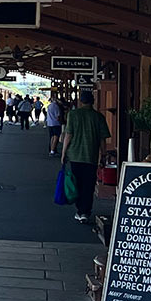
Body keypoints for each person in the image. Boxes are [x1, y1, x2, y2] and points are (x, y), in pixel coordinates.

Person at [60, 90, 111, 225]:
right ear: (93, 101)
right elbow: (102, 139)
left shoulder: (73, 114)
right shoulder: (99, 117)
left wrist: (64, 153)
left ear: (81, 101)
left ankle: (79, 210)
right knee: (89, 185)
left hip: (75, 155)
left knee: (77, 183)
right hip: (91, 156)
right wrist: (103, 155)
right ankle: (85, 211)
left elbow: (68, 135)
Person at [46, 92, 64, 156]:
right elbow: (58, 116)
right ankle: (53, 151)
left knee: (52, 137)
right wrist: (61, 122)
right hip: (56, 123)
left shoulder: (49, 106)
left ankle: (51, 150)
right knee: (56, 137)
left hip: (50, 123)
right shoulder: (56, 106)